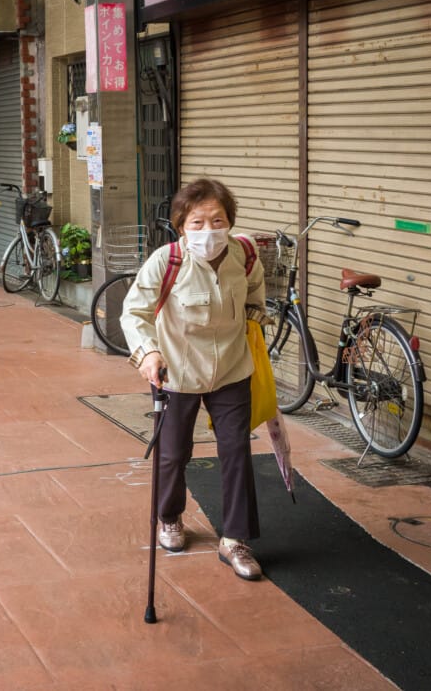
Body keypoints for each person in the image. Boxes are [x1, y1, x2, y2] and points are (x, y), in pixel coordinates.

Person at [119, 178, 268, 581]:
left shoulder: (246, 254)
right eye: (197, 222)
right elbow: (134, 312)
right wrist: (148, 353)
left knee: (236, 450)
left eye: (217, 220)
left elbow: (256, 295)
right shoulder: (166, 262)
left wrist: (253, 320)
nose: (208, 231)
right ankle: (169, 517)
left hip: (232, 370)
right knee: (173, 453)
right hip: (176, 372)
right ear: (181, 225)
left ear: (230, 222)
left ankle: (235, 538)